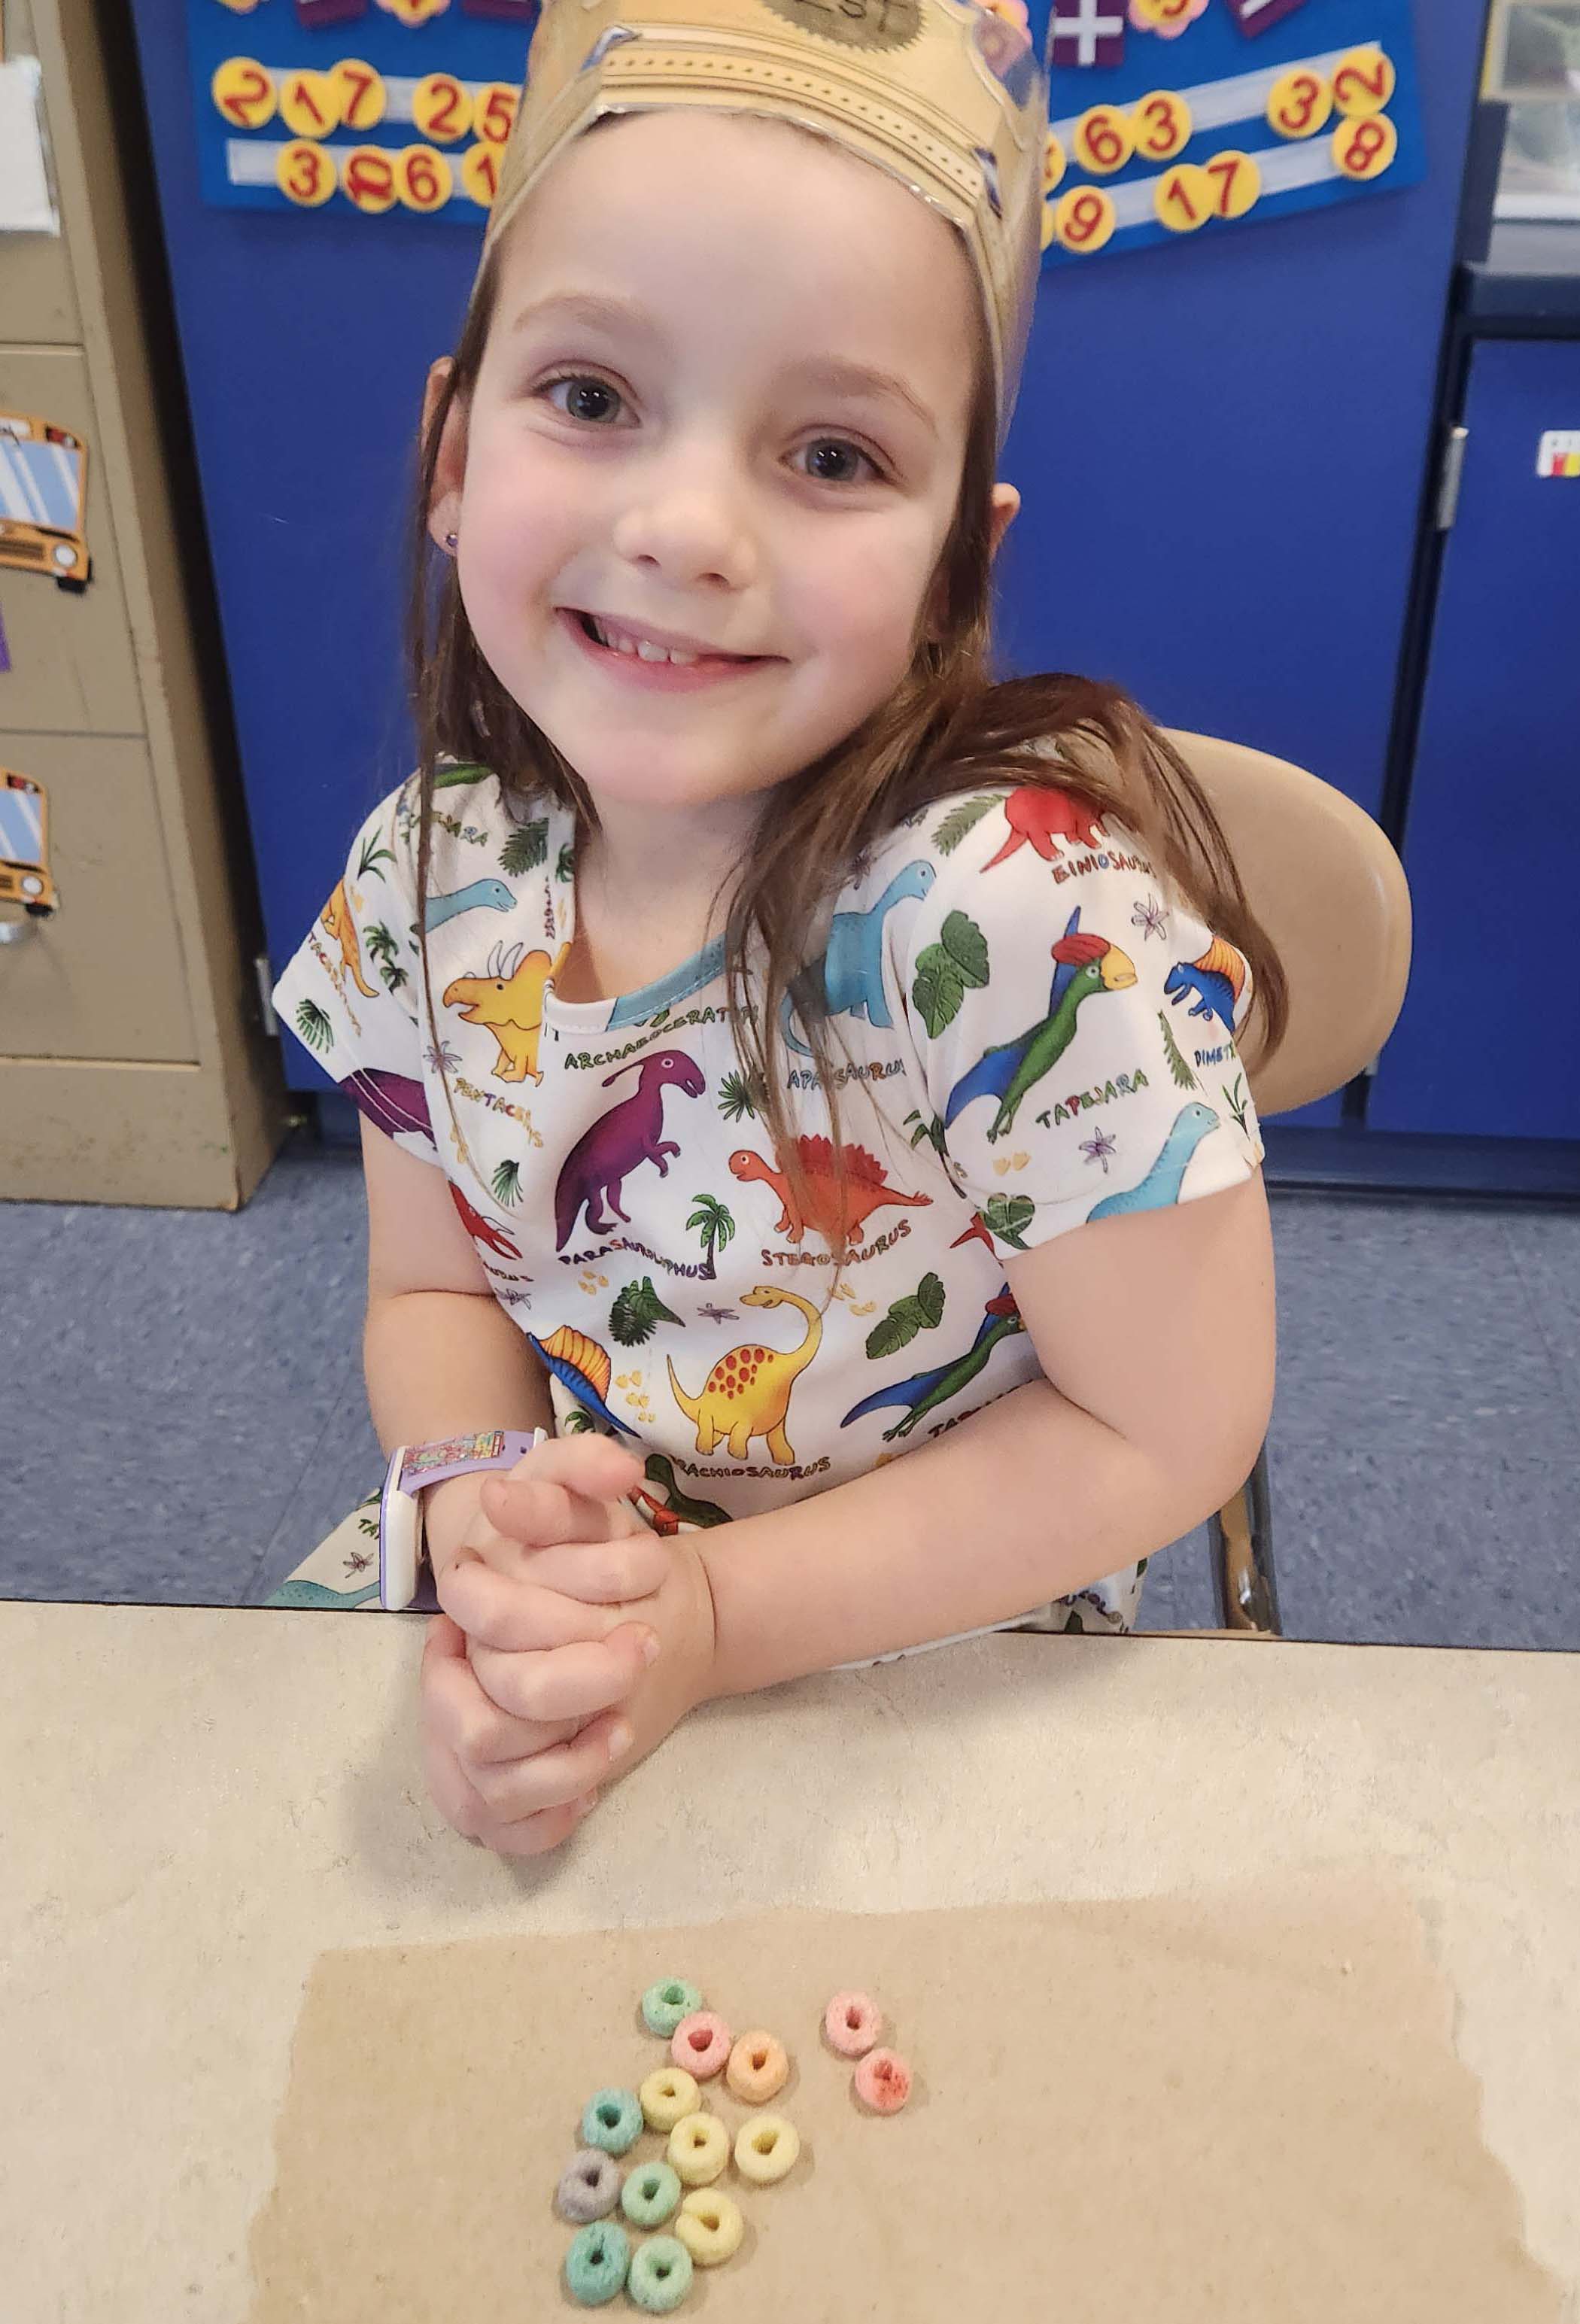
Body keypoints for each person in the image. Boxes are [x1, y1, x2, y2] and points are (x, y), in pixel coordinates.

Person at [270, 0, 1287, 1857]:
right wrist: (489, 1508)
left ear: (958, 568)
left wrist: (718, 1623)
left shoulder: (1019, 922)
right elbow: (433, 1295)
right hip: (600, 1573)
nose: (687, 528)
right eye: (592, 399)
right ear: (451, 454)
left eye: (829, 456)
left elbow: (1165, 1432)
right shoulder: (423, 876)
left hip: (944, 1632)